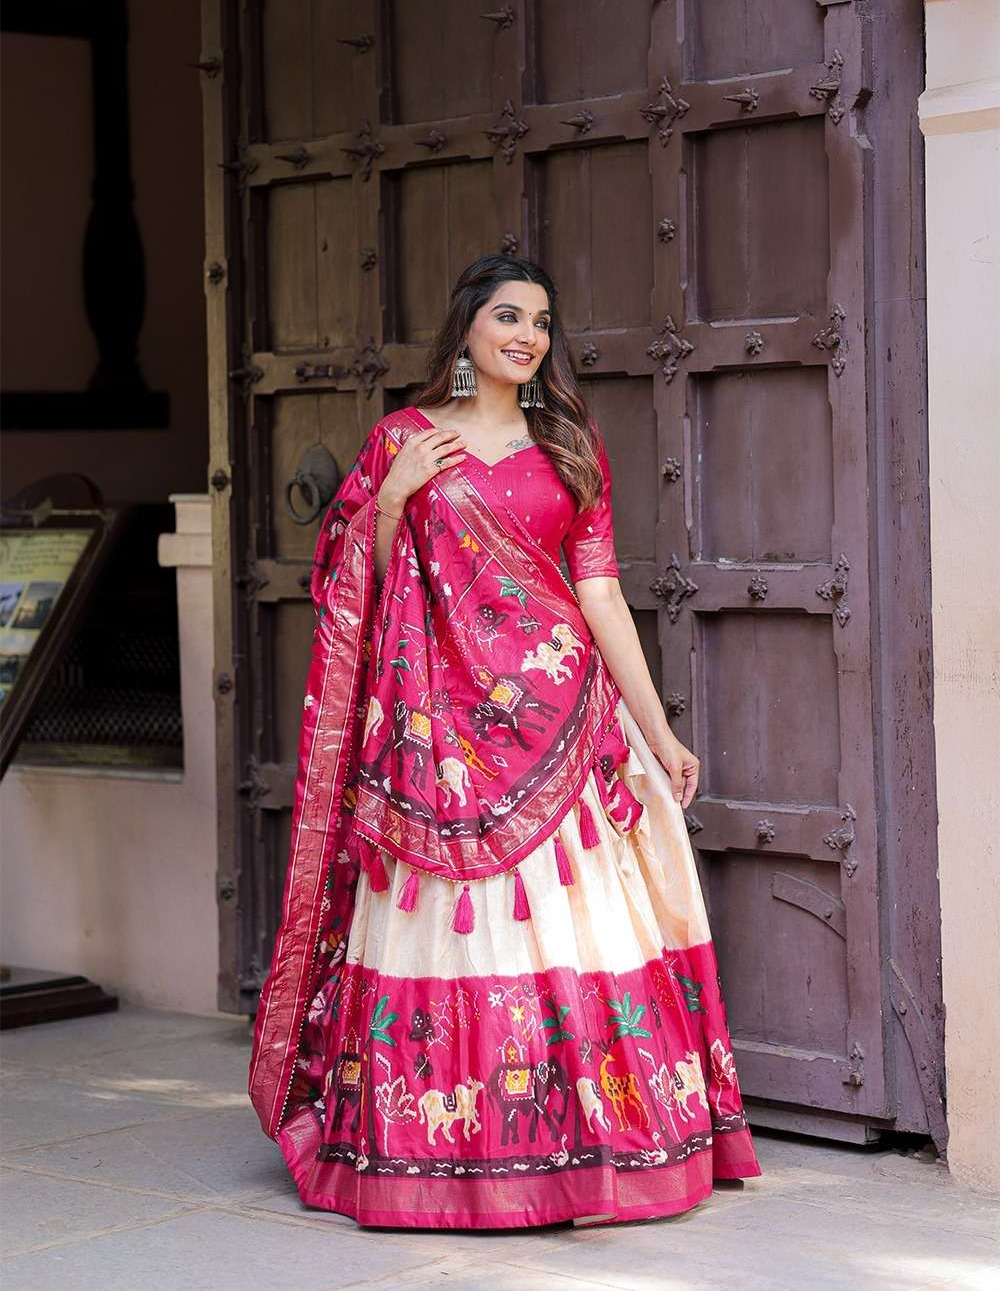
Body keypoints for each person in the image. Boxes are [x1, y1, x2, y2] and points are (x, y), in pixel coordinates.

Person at [248, 254, 761, 1229]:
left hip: (564, 724)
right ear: (467, 330)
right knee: (455, 933)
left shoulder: (567, 446)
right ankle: (454, 1156)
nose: (525, 334)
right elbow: (345, 580)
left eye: (539, 321)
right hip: (438, 737)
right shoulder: (404, 439)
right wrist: (394, 494)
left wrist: (657, 729)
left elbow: (600, 594)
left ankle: (589, 1149)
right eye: (506, 316)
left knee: (574, 932)